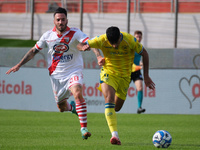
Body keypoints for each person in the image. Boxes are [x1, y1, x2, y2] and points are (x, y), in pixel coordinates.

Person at [6, 7, 91, 140]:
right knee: (61, 107)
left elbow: (87, 42)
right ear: (54, 21)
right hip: (56, 76)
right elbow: (34, 51)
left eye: (63, 19)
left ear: (67, 20)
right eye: (58, 20)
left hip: (74, 70)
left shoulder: (75, 32)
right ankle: (72, 108)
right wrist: (19, 64)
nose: (61, 22)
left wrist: (88, 48)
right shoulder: (47, 36)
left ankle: (84, 128)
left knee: (77, 92)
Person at [77, 26, 155, 145]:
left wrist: (146, 76)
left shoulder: (129, 40)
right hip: (108, 73)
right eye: (111, 43)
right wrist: (90, 51)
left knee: (117, 107)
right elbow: (79, 44)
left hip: (125, 77)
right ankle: (115, 135)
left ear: (120, 37)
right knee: (109, 100)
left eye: (116, 42)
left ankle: (114, 126)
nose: (114, 46)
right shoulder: (102, 39)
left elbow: (145, 53)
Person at [131, 30, 146, 114]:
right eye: (137, 36)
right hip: (128, 70)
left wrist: (140, 63)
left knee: (140, 87)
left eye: (140, 37)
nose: (138, 38)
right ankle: (113, 105)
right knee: (123, 91)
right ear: (134, 37)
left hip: (136, 71)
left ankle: (139, 107)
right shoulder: (131, 46)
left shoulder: (141, 47)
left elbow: (138, 59)